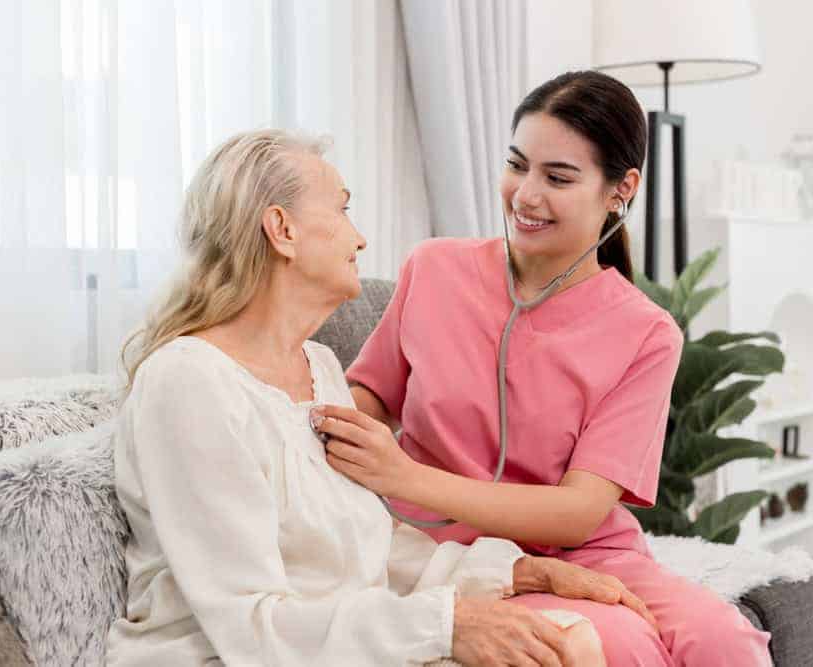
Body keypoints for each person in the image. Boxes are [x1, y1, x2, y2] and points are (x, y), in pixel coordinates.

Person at [105, 128, 653, 666]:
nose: (360, 239)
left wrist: (520, 572)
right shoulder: (188, 383)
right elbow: (252, 624)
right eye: (342, 211)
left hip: (347, 643)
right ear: (282, 229)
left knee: (570, 640)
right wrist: (445, 625)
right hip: (232, 655)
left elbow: (371, 548)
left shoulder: (318, 368)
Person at [315, 71, 774, 666]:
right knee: (621, 645)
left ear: (619, 190)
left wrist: (404, 477)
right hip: (459, 550)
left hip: (590, 551)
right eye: (516, 165)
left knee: (726, 642)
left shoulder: (647, 333)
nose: (526, 195)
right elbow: (365, 395)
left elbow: (579, 511)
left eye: (557, 177)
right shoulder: (434, 269)